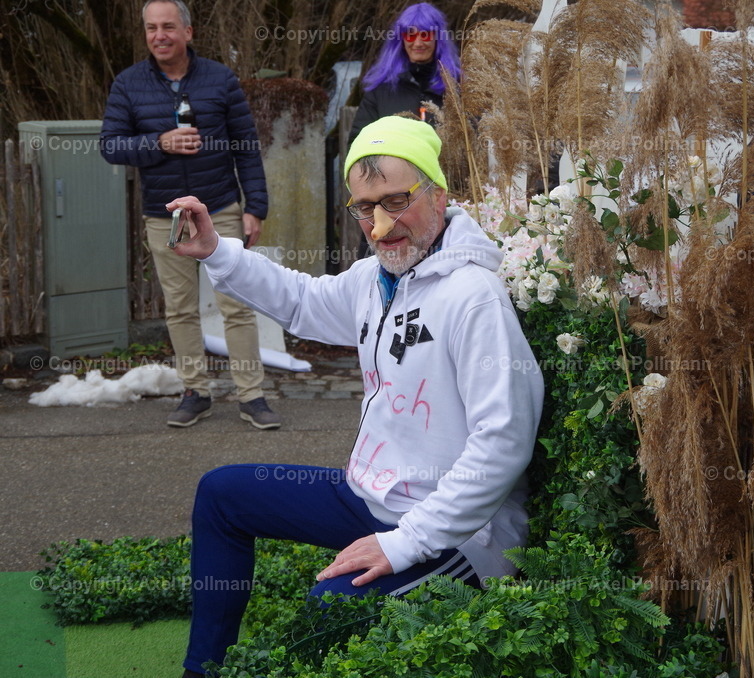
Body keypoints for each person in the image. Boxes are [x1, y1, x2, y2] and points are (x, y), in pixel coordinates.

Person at [167, 116, 544, 678]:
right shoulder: (379, 277)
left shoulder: (474, 298)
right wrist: (217, 251)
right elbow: (303, 301)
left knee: (332, 612)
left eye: (396, 201)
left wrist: (404, 543)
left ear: (438, 195)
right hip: (372, 500)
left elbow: (505, 445)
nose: (380, 225)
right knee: (222, 496)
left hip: (460, 534)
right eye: (365, 207)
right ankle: (202, 671)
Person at [100, 0, 280, 429]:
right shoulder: (128, 84)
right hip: (166, 214)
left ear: (188, 32)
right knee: (180, 309)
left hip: (219, 207)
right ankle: (195, 392)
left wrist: (255, 207)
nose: (159, 36)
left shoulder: (220, 79)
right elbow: (110, 145)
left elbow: (246, 145)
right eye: (150, 28)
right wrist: (157, 143)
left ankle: (251, 395)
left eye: (167, 27)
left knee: (236, 304)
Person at [346, 2, 461, 147]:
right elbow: (358, 142)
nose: (418, 43)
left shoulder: (457, 87)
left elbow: (474, 144)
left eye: (425, 35)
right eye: (410, 35)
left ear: (438, 38)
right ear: (401, 39)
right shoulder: (380, 89)